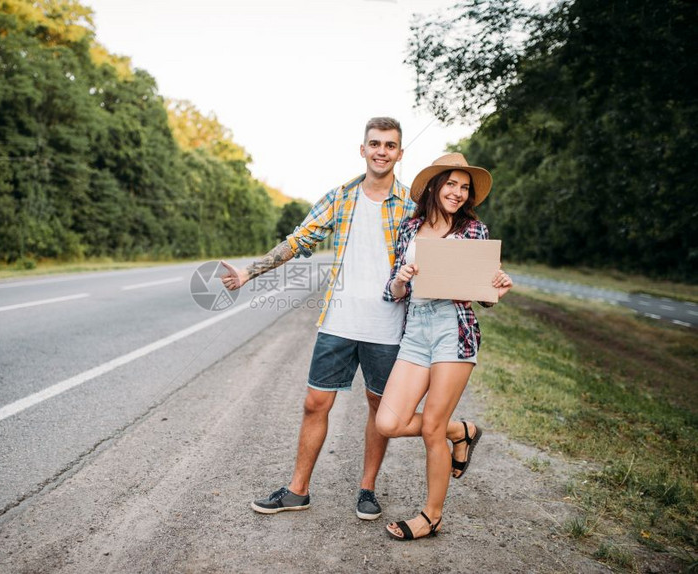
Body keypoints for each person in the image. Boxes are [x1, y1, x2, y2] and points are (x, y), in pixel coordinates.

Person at [220, 119, 475, 521]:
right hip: (338, 321)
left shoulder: (413, 206)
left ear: (400, 154)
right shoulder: (340, 197)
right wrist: (249, 272)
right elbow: (298, 239)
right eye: (375, 143)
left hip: (390, 327)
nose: (381, 151)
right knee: (314, 403)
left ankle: (367, 490)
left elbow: (452, 249)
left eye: (390, 145)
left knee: (381, 411)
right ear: (363, 149)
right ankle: (297, 490)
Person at [375, 153, 513, 540]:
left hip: (453, 328)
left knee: (430, 427)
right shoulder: (410, 227)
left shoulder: (473, 230)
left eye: (464, 187)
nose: (457, 192)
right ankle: (462, 431)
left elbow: (482, 294)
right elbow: (392, 292)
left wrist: (497, 286)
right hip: (415, 330)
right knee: (388, 422)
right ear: (435, 186)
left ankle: (431, 516)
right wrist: (401, 279)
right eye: (451, 184)